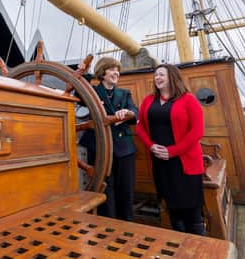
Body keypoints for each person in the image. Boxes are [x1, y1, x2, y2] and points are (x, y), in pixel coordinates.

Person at [136, 63, 205, 235]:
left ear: (172, 77)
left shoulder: (188, 99)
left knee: (192, 213)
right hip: (160, 163)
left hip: (184, 163)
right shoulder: (148, 100)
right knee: (172, 208)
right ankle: (180, 245)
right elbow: (140, 127)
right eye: (156, 75)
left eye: (161, 75)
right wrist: (151, 146)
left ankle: (199, 247)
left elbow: (197, 131)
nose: (157, 78)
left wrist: (172, 151)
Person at [78, 57, 138, 221]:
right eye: (111, 69)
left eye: (117, 70)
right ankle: (107, 225)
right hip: (100, 148)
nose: (116, 73)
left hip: (124, 149)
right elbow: (79, 91)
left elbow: (135, 111)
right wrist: (84, 72)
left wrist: (127, 113)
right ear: (102, 73)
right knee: (104, 190)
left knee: (126, 190)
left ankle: (127, 225)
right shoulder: (93, 92)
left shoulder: (125, 94)